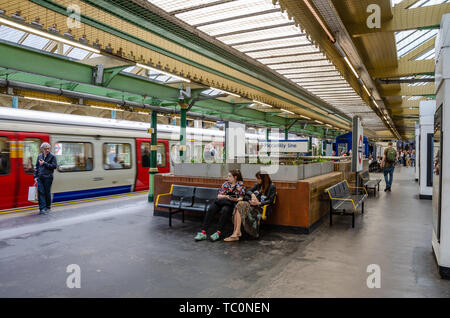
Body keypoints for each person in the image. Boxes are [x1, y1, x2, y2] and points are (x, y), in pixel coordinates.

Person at [195, 170, 246, 242]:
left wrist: (234, 199)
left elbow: (241, 198)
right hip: (222, 201)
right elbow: (219, 196)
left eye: (229, 176)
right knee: (211, 209)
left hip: (231, 203)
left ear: (235, 177)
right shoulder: (225, 184)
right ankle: (203, 232)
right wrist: (226, 196)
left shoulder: (240, 185)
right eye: (228, 176)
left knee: (225, 210)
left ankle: (218, 233)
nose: (228, 177)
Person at [224, 172, 277, 242]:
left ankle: (236, 233)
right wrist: (252, 195)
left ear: (264, 179)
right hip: (253, 205)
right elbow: (247, 191)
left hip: (261, 208)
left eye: (258, 178)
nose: (257, 180)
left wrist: (259, 203)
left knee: (240, 205)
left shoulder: (272, 186)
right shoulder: (257, 185)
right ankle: (237, 232)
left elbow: (270, 200)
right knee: (240, 204)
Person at [33, 142, 57, 215]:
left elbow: (54, 166)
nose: (47, 150)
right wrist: (35, 176)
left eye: (48, 148)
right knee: (41, 192)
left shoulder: (52, 156)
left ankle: (48, 207)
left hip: (48, 177)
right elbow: (36, 167)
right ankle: (42, 209)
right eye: (45, 149)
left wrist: (44, 163)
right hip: (40, 177)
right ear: (42, 149)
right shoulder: (39, 156)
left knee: (47, 192)